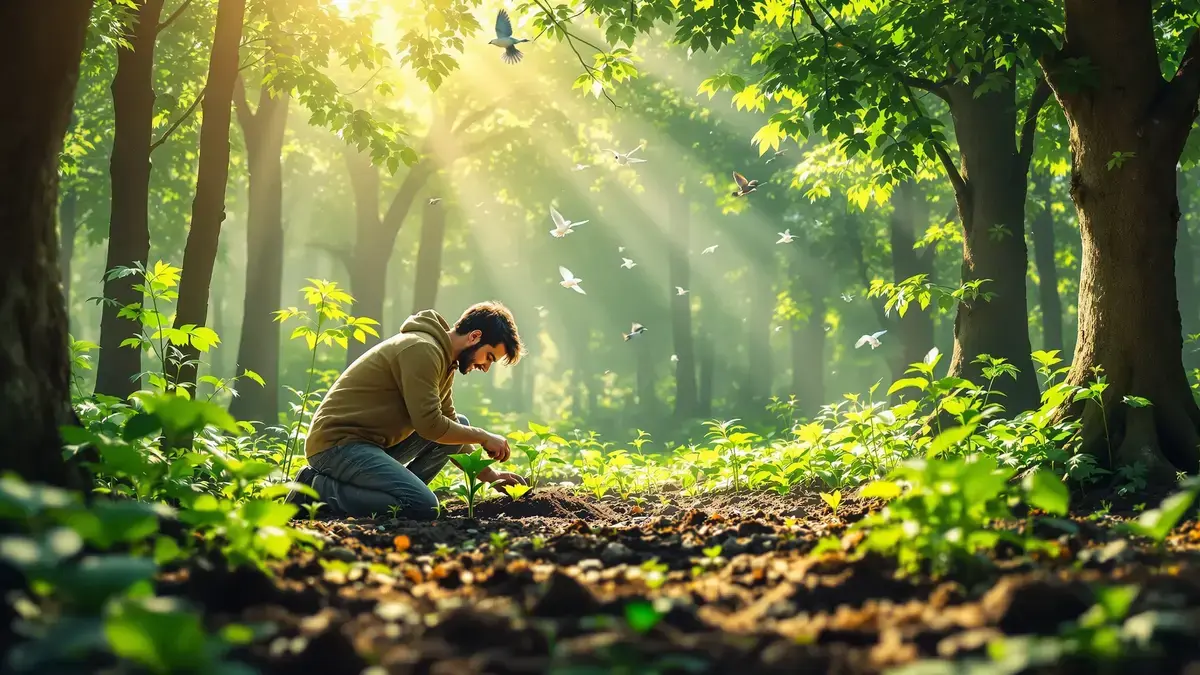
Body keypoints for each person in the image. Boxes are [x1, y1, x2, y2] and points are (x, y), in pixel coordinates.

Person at [285, 301, 527, 519]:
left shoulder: (443, 359)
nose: (485, 367)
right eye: (489, 357)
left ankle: (399, 497)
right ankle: (316, 489)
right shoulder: (422, 350)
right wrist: (484, 437)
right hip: (337, 446)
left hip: (370, 446)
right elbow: (430, 426)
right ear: (475, 336)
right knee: (424, 507)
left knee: (458, 425)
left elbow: (450, 422)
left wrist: (492, 477)